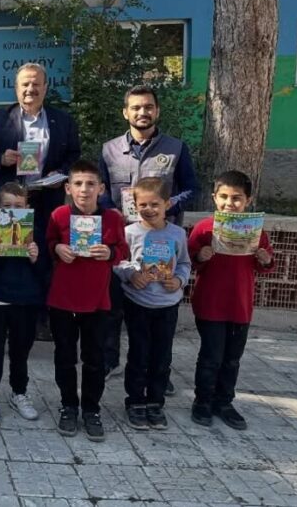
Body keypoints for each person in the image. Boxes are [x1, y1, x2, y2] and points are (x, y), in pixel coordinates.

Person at [99, 85, 199, 383]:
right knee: (115, 302)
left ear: (157, 110)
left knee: (156, 307)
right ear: (126, 112)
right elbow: (103, 190)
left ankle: (159, 371)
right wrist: (110, 211)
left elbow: (192, 188)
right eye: (136, 107)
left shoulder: (176, 148)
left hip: (161, 241)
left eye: (148, 107)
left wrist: (165, 208)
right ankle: (110, 359)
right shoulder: (109, 149)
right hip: (123, 237)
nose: (143, 112)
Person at [45, 160, 127, 442]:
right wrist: (57, 248)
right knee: (65, 356)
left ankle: (91, 408)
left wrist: (110, 253)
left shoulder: (113, 219)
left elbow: (123, 250)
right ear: (68, 188)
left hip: (98, 301)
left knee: (94, 358)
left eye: (90, 184)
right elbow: (48, 244)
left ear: (101, 188)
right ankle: (68, 405)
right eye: (78, 183)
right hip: (63, 299)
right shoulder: (58, 215)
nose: (84, 189)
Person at [188, 170, 276, 431]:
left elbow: (266, 265)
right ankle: (202, 401)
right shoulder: (204, 228)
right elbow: (190, 260)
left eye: (236, 198)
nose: (229, 203)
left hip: (240, 305)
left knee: (232, 359)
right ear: (214, 198)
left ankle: (224, 402)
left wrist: (265, 258)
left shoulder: (256, 232)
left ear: (248, 200)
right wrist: (201, 256)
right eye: (224, 197)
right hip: (210, 303)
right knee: (211, 356)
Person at [112, 178, 191, 431]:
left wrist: (179, 281)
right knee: (138, 354)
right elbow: (118, 262)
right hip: (138, 302)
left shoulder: (178, 234)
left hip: (167, 304)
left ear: (168, 204)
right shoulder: (129, 232)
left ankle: (155, 402)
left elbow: (184, 264)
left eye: (155, 204)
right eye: (142, 204)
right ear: (134, 205)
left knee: (162, 356)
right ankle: (135, 401)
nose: (148, 209)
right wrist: (131, 274)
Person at [0, 62, 81, 241]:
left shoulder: (63, 120)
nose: (30, 89)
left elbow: (74, 155)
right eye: (25, 84)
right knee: (9, 249)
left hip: (47, 198)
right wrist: (2, 159)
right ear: (16, 88)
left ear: (45, 87)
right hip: (10, 199)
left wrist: (61, 173)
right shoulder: (0, 117)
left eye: (36, 84)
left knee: (45, 251)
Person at [0, 181, 44, 428]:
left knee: (21, 351)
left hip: (27, 301)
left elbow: (46, 271)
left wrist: (36, 259)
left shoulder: (35, 231)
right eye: (7, 206)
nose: (13, 210)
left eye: (19, 206)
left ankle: (19, 393)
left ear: (27, 206)